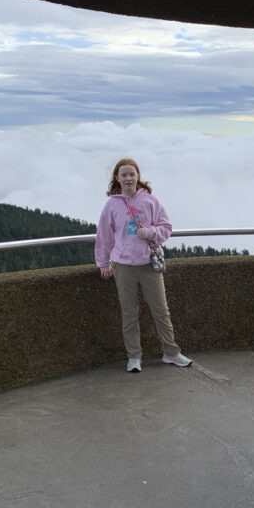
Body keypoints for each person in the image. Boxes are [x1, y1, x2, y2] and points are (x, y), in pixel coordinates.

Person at [95, 157, 192, 373]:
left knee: (161, 311)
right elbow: (104, 236)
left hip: (148, 264)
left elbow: (166, 227)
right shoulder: (111, 205)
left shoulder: (149, 200)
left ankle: (171, 353)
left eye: (132, 174)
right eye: (124, 175)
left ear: (138, 176)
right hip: (123, 266)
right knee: (129, 313)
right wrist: (103, 262)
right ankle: (134, 357)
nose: (128, 178)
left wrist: (149, 232)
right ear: (117, 178)